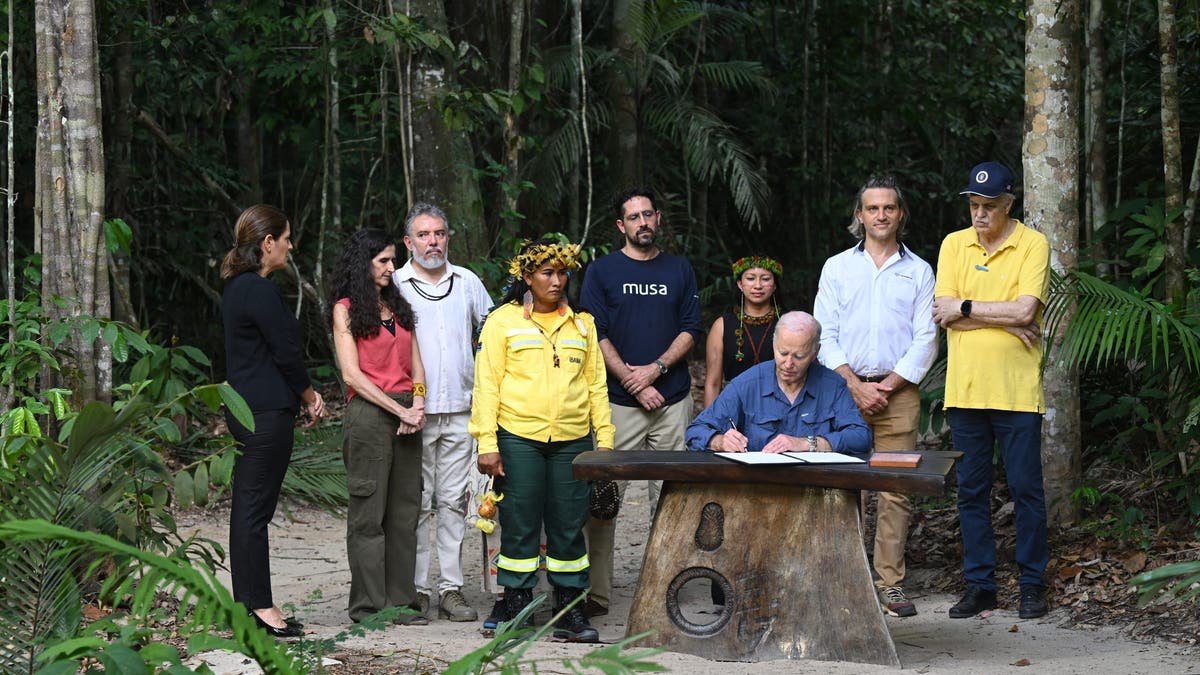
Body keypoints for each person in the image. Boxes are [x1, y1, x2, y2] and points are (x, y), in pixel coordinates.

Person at [469, 238, 615, 643]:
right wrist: (487, 443)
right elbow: (487, 386)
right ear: (527, 277)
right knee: (520, 524)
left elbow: (596, 386)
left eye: (562, 272)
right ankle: (517, 606)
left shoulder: (582, 323)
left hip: (572, 440)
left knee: (569, 526)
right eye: (547, 273)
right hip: (518, 438)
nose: (556, 280)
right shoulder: (502, 322)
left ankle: (570, 610)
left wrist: (603, 440)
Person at [813, 175, 937, 618]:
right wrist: (854, 384)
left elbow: (926, 338)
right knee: (845, 486)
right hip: (843, 394)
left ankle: (890, 583)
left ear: (900, 214)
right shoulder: (837, 267)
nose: (880, 215)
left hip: (897, 394)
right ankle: (847, 578)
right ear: (859, 215)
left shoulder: (919, 270)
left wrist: (886, 386)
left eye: (889, 208)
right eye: (872, 209)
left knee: (894, 490)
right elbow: (823, 333)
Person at [932, 161, 1051, 620]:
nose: (979, 215)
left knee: (1026, 490)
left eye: (988, 207)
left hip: (1017, 393)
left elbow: (1026, 311)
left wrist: (967, 309)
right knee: (971, 492)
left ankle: (1031, 586)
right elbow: (942, 312)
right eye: (974, 206)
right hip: (965, 392)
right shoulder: (953, 244)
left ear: (1008, 204)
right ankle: (980, 585)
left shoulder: (1032, 244)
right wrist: (998, 316)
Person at [580, 186, 701, 618]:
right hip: (618, 404)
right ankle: (597, 593)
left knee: (674, 498)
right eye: (633, 217)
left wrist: (656, 370)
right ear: (621, 225)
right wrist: (633, 381)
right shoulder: (602, 271)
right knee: (604, 498)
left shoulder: (679, 269)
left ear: (658, 219)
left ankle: (670, 583)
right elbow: (596, 332)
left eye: (648, 214)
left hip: (672, 402)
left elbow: (690, 327)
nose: (642, 223)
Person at [220, 204, 326, 638]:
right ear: (267, 244)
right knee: (253, 511)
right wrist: (310, 396)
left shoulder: (235, 287)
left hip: (247, 409)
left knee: (249, 509)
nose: (290, 245)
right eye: (285, 238)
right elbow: (285, 354)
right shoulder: (259, 291)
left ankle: (252, 603)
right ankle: (258, 608)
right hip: (264, 412)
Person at [393, 203, 492, 623]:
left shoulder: (467, 281)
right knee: (416, 504)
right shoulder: (395, 284)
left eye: (439, 233)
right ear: (408, 242)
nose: (432, 242)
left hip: (461, 411)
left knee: (453, 502)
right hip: (413, 414)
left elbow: (490, 333)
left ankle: (450, 588)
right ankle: (415, 589)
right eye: (423, 235)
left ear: (448, 237)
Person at [330, 229, 429, 625]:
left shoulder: (398, 305)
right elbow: (352, 376)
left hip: (408, 410)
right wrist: (398, 411)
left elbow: (417, 363)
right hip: (370, 415)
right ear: (363, 264)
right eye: (384, 261)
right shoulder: (345, 308)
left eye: (393, 260)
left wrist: (418, 403)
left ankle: (401, 603)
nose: (393, 268)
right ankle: (368, 607)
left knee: (405, 513)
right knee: (369, 514)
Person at [686, 311, 871, 457]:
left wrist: (808, 444)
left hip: (817, 488)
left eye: (799, 356)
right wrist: (720, 441)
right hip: (756, 488)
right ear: (774, 345)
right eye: (782, 353)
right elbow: (695, 431)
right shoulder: (747, 384)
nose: (788, 364)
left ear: (816, 353)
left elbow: (861, 437)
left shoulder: (832, 385)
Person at [703, 256, 783, 408]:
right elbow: (713, 383)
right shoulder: (722, 325)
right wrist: (709, 427)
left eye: (765, 279)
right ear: (740, 284)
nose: (758, 286)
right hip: (735, 407)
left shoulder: (790, 322)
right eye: (751, 278)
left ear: (774, 285)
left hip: (780, 406)